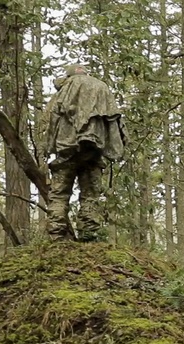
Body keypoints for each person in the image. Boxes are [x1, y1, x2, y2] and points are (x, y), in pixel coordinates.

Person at [40, 65, 126, 242]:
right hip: (93, 150)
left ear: (69, 75)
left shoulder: (63, 90)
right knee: (90, 195)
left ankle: (57, 238)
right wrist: (116, 149)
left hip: (66, 150)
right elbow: (114, 119)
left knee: (59, 194)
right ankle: (89, 236)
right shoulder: (101, 87)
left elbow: (50, 120)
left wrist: (45, 149)